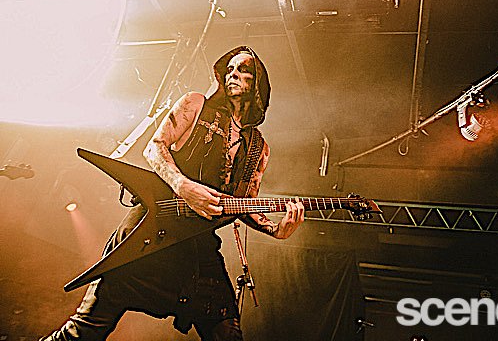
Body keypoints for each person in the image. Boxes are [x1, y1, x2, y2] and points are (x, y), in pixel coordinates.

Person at [41, 46, 305, 340]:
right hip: (149, 230)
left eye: (243, 70)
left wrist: (275, 230)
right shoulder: (195, 104)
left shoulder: (258, 147)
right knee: (84, 330)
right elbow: (154, 147)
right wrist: (182, 186)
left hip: (197, 247)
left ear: (258, 85)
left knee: (227, 332)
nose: (232, 74)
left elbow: (244, 204)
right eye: (229, 69)